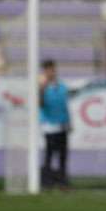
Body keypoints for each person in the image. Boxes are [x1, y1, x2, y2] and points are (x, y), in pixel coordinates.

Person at [39, 60, 72, 188]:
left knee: (63, 156)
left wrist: (69, 121)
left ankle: (63, 181)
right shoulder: (42, 87)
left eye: (53, 69)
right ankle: (46, 181)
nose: (51, 72)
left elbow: (64, 106)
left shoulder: (62, 86)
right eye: (48, 70)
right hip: (49, 126)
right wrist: (41, 90)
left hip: (62, 124)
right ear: (45, 71)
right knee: (49, 154)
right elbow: (40, 104)